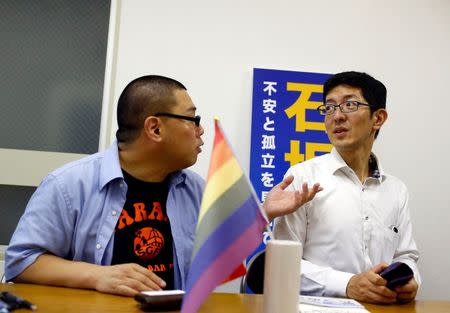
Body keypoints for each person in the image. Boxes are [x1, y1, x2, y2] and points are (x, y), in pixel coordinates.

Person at [5, 75, 321, 297]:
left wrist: (264, 211)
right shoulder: (69, 185)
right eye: (192, 119)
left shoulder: (193, 188)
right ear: (155, 128)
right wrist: (99, 276)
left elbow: (221, 252)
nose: (200, 132)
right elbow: (22, 263)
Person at [273, 71, 420, 304]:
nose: (337, 116)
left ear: (378, 118)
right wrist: (348, 284)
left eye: (350, 105)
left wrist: (410, 280)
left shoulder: (396, 189)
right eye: (329, 108)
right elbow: (282, 263)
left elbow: (406, 255)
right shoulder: (301, 177)